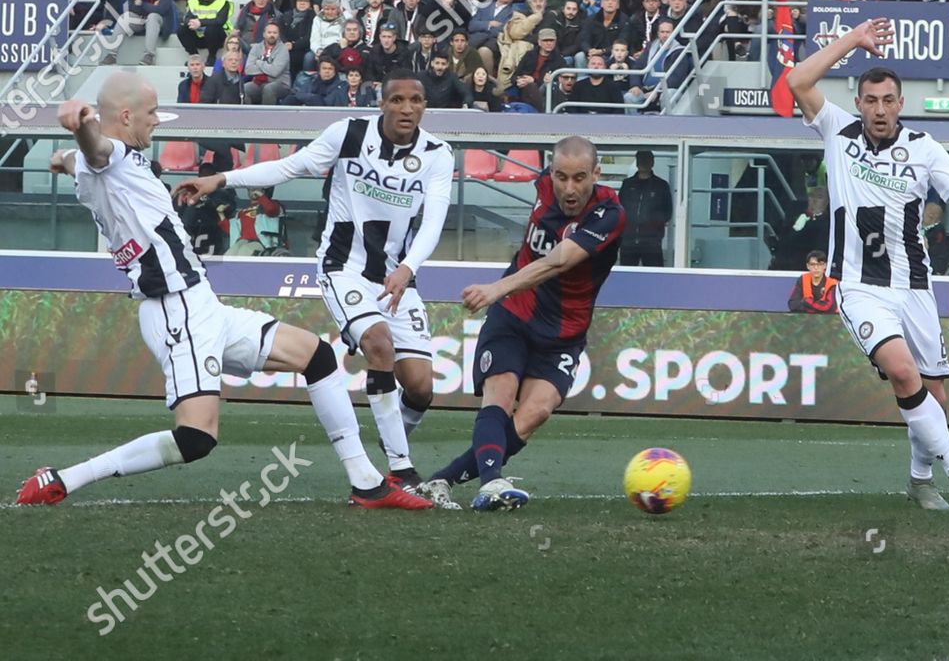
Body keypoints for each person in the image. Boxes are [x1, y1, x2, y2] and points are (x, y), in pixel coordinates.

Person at [17, 76, 429, 510]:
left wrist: (61, 156)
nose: (157, 122)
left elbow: (78, 159)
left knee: (317, 357)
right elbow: (96, 148)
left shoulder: (105, 163)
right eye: (152, 113)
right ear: (125, 117)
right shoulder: (111, 156)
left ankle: (367, 482)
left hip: (201, 304)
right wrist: (81, 125)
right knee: (196, 438)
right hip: (175, 309)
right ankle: (63, 478)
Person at [787, 17, 949, 510]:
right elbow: (797, 81)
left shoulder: (923, 148)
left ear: (901, 103)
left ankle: (920, 480)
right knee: (901, 372)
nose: (879, 109)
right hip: (859, 286)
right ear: (858, 104)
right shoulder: (837, 132)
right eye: (870, 100)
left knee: (934, 400)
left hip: (915, 287)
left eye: (888, 100)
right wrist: (854, 40)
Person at [173, 71, 453, 493]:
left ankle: (394, 435)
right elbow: (289, 167)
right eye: (397, 100)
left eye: (416, 100)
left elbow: (434, 221)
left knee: (420, 387)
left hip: (398, 274)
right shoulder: (348, 134)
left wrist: (408, 268)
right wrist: (221, 179)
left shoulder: (437, 153)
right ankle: (400, 469)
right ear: (382, 103)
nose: (407, 108)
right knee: (378, 345)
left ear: (424, 105)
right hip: (343, 267)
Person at [419, 137, 625, 511]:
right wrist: (503, 294)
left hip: (563, 332)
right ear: (550, 172)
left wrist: (496, 287)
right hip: (515, 313)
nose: (569, 188)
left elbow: (559, 261)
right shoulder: (542, 186)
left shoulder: (609, 213)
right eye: (561, 176)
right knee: (499, 392)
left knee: (534, 414)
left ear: (597, 173)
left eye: (580, 178)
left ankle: (442, 480)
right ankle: (492, 484)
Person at [617, 149, 673, 266]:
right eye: (641, 160)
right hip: (628, 241)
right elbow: (619, 208)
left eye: (646, 160)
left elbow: (667, 211)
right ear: (637, 162)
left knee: (655, 278)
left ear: (652, 162)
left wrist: (654, 224)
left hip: (651, 242)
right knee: (627, 278)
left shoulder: (661, 185)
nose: (643, 163)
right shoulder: (627, 184)